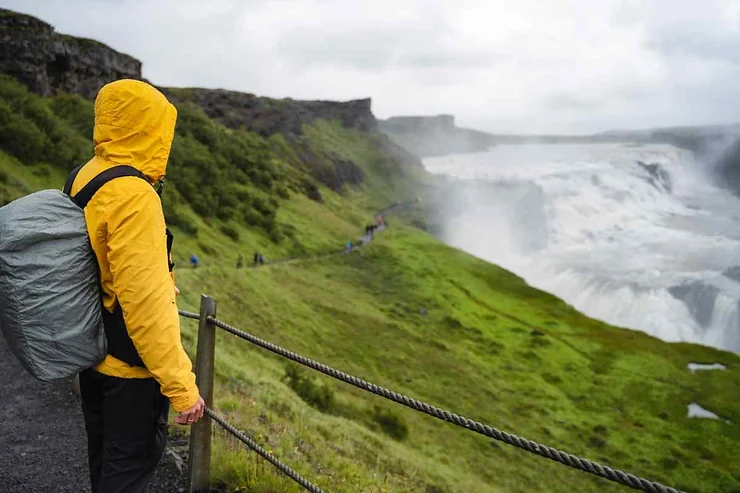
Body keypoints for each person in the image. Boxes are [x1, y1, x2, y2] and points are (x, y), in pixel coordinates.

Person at [67, 79, 204, 493]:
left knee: (105, 464)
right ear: (152, 129)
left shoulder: (87, 174)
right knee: (127, 471)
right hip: (129, 367)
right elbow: (145, 303)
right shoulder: (135, 195)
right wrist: (182, 387)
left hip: (92, 354)